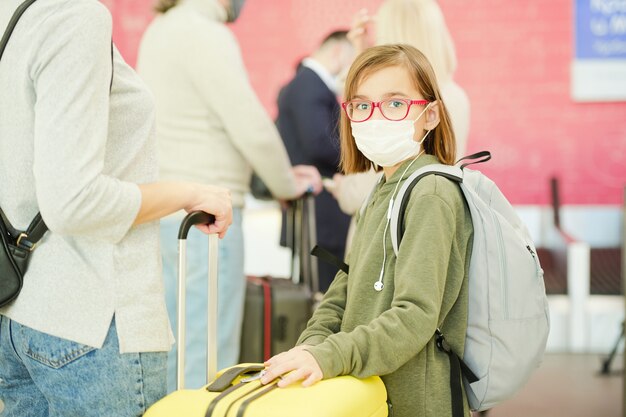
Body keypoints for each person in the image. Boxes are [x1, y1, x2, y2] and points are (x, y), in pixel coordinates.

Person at [0, 0, 232, 416]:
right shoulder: (74, 16)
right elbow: (73, 202)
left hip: (21, 316)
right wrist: (186, 193)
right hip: (92, 324)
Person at [260, 44, 474, 417]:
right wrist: (309, 349)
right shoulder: (381, 189)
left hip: (414, 403)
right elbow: (342, 292)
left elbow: (415, 315)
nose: (374, 117)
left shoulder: (431, 193)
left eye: (394, 103)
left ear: (431, 115)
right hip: (366, 397)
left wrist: (330, 356)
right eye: (361, 105)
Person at [136, 0, 321, 391]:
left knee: (175, 347)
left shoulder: (161, 28)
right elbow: (248, 124)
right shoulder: (205, 32)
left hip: (168, 211)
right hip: (208, 217)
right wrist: (286, 183)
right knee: (207, 358)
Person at [329, 0, 471, 244]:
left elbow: (375, 180)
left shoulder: (406, 108)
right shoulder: (455, 96)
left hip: (384, 235)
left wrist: (344, 189)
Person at [276, 30, 355, 292]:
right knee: (327, 297)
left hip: (317, 216)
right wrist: (360, 160)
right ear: (337, 51)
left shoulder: (304, 84)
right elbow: (319, 143)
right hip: (321, 216)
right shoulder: (310, 84)